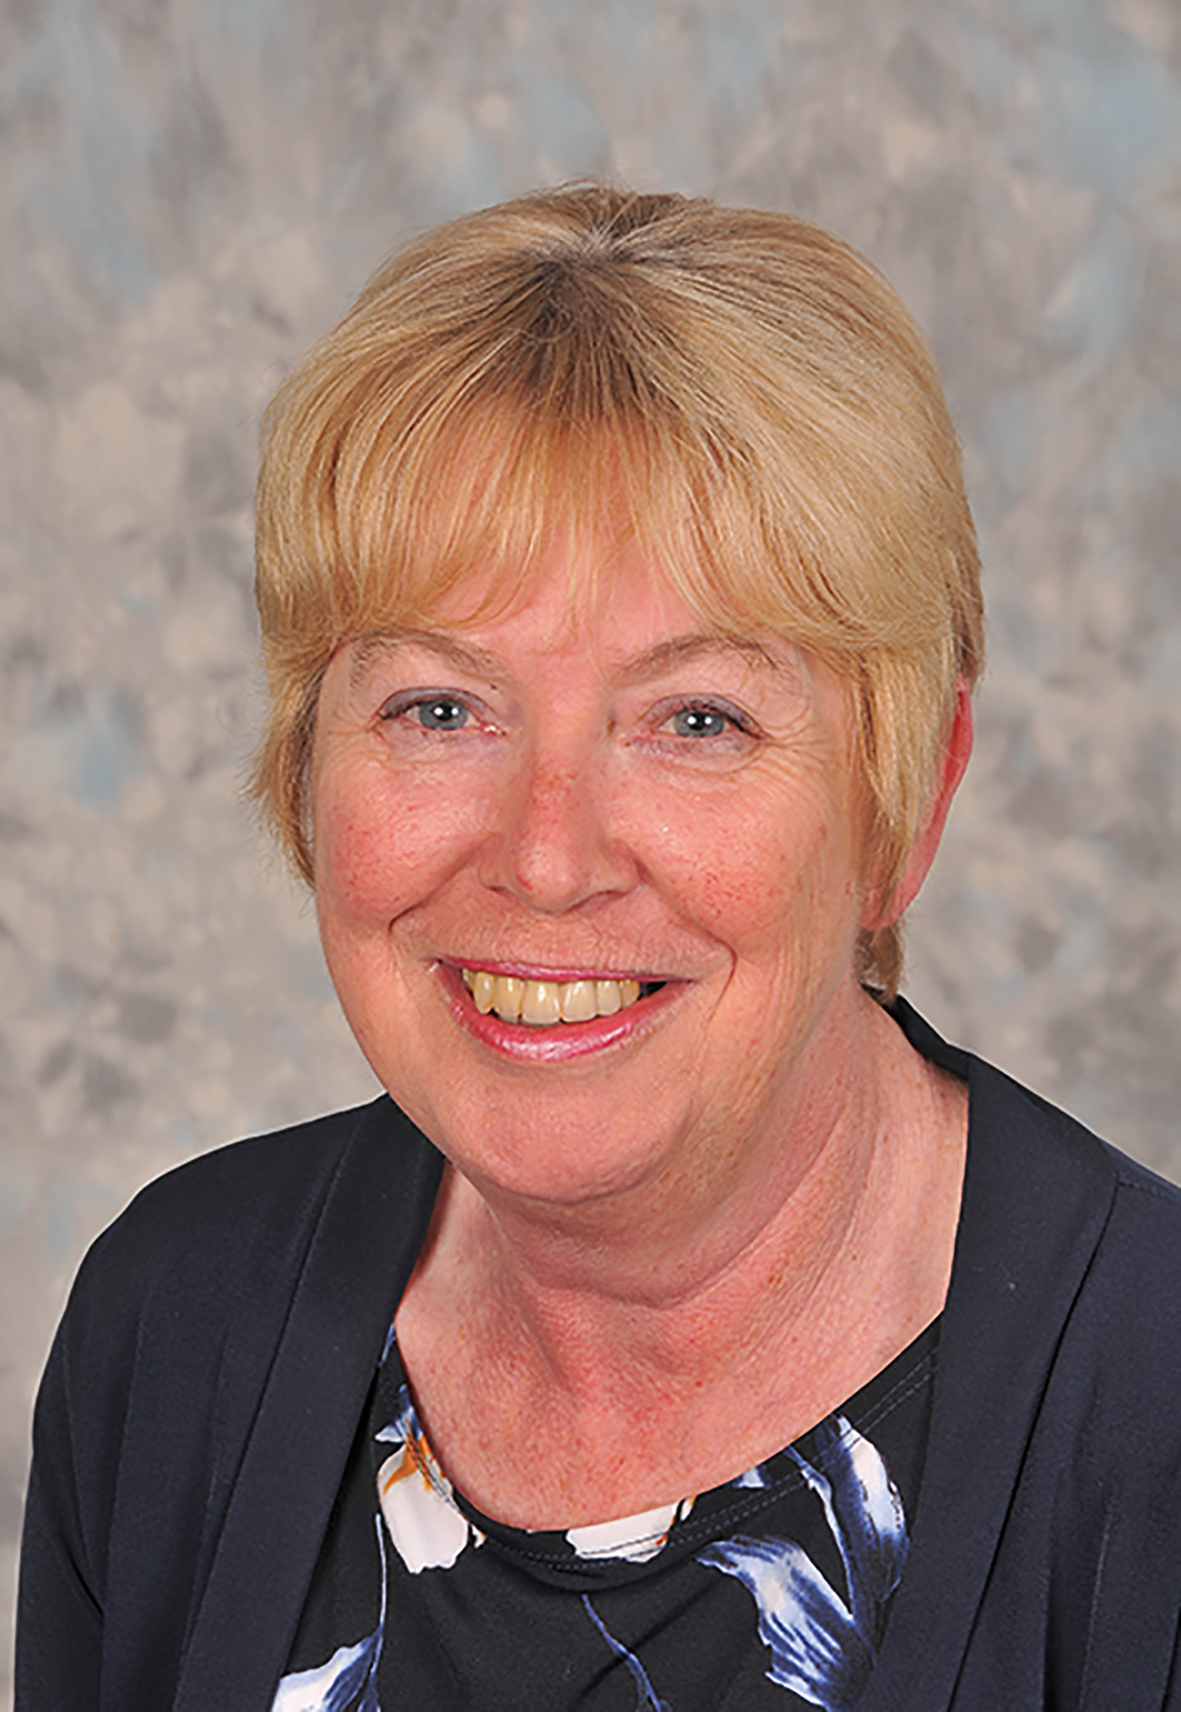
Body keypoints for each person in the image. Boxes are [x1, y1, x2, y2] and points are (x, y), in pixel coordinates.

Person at [15, 185, 1181, 1712]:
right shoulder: (177, 1325)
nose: (548, 857)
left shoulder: (1152, 1419)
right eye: (440, 708)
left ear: (907, 793)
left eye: (695, 719)